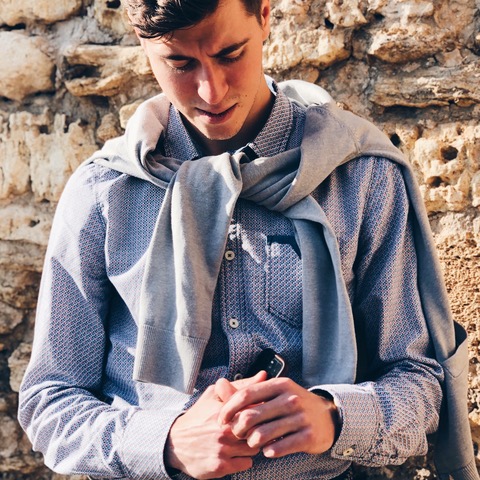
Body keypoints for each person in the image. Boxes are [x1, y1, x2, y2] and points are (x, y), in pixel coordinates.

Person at [18, 0, 478, 479]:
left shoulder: (362, 177)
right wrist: (164, 443)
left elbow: (421, 384)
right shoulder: (104, 191)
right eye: (181, 63)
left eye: (230, 54)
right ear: (143, 43)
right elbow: (50, 403)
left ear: (263, 16)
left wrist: (335, 416)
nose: (211, 90)